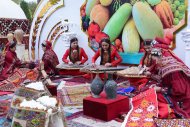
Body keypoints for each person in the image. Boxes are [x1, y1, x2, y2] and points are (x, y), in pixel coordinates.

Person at [147, 48, 190, 118]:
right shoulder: (166, 64)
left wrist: (161, 89)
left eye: (154, 60)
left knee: (157, 96)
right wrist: (151, 75)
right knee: (150, 90)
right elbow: (163, 79)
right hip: (179, 90)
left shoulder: (171, 69)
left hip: (185, 97)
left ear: (159, 58)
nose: (155, 63)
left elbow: (179, 90)